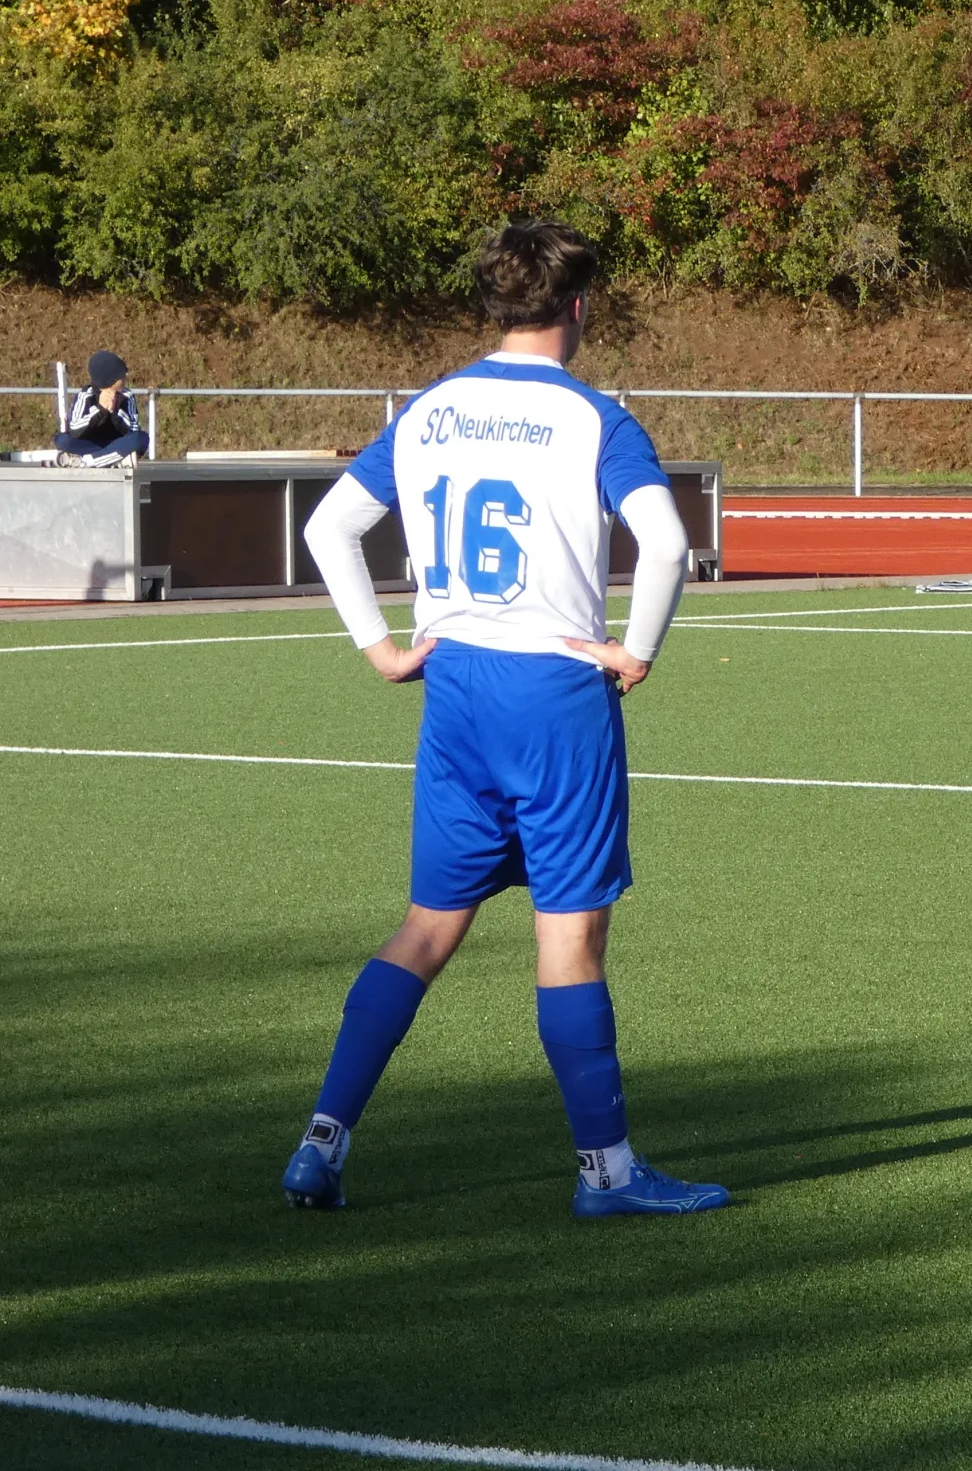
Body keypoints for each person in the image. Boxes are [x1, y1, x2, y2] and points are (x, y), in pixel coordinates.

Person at [284, 221, 723, 1217]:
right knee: (567, 943)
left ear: (494, 304)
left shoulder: (430, 409)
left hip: (456, 689)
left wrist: (382, 648)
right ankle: (606, 1176)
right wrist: (638, 648)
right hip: (555, 694)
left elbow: (329, 525)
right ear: (578, 306)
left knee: (427, 927)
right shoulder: (595, 419)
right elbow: (664, 547)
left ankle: (321, 1144)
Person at [55, 350, 149, 465]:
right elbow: (75, 429)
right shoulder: (85, 395)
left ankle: (86, 462)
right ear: (110, 378)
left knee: (141, 438)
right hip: (92, 444)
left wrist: (115, 412)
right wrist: (100, 410)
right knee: (62, 440)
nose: (125, 379)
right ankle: (113, 459)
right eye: (121, 376)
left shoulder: (127, 396)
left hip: (117, 443)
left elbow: (133, 429)